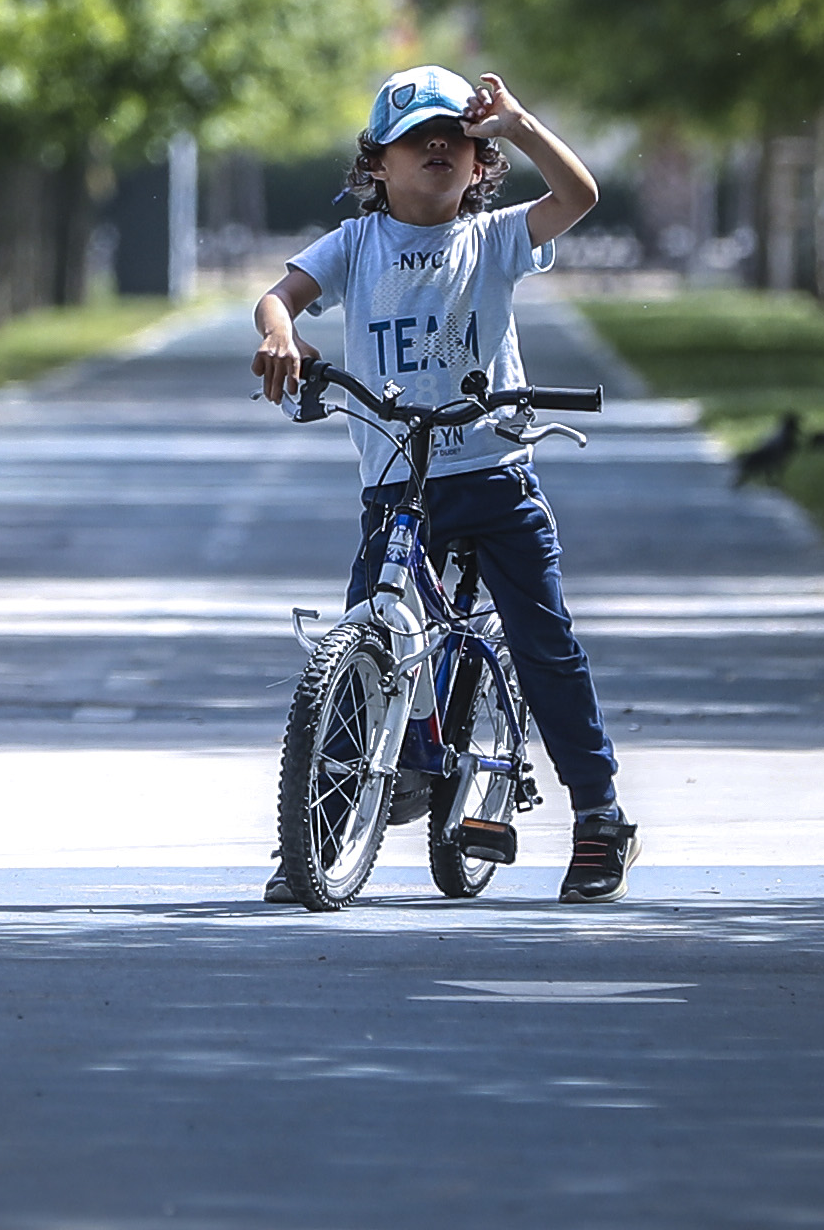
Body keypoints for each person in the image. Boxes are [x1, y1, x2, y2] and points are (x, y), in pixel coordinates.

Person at [249, 64, 637, 904]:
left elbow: (579, 196)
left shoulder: (493, 238)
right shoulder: (355, 245)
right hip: (397, 487)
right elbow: (278, 298)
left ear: (479, 160)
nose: (437, 147)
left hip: (492, 476)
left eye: (454, 138)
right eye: (413, 139)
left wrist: (524, 124)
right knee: (365, 640)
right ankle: (320, 831)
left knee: (543, 642)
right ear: (376, 165)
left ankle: (599, 816)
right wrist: (282, 337)